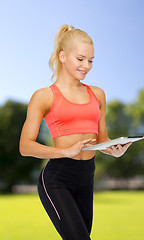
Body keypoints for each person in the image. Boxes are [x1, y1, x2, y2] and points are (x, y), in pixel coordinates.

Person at [19, 24, 132, 240]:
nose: (86, 66)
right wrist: (65, 152)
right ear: (62, 56)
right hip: (57, 177)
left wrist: (115, 150)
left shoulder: (97, 94)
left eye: (90, 60)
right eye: (80, 59)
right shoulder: (44, 96)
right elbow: (25, 146)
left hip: (86, 175)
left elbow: (102, 140)